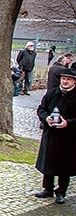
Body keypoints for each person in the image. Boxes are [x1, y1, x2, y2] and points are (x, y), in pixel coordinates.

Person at [34, 68, 76, 205]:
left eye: (68, 79)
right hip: (51, 134)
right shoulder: (52, 93)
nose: (65, 81)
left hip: (68, 137)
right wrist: (46, 119)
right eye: (63, 79)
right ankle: (48, 188)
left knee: (65, 165)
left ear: (74, 81)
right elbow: (41, 109)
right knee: (48, 162)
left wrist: (67, 123)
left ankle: (61, 191)